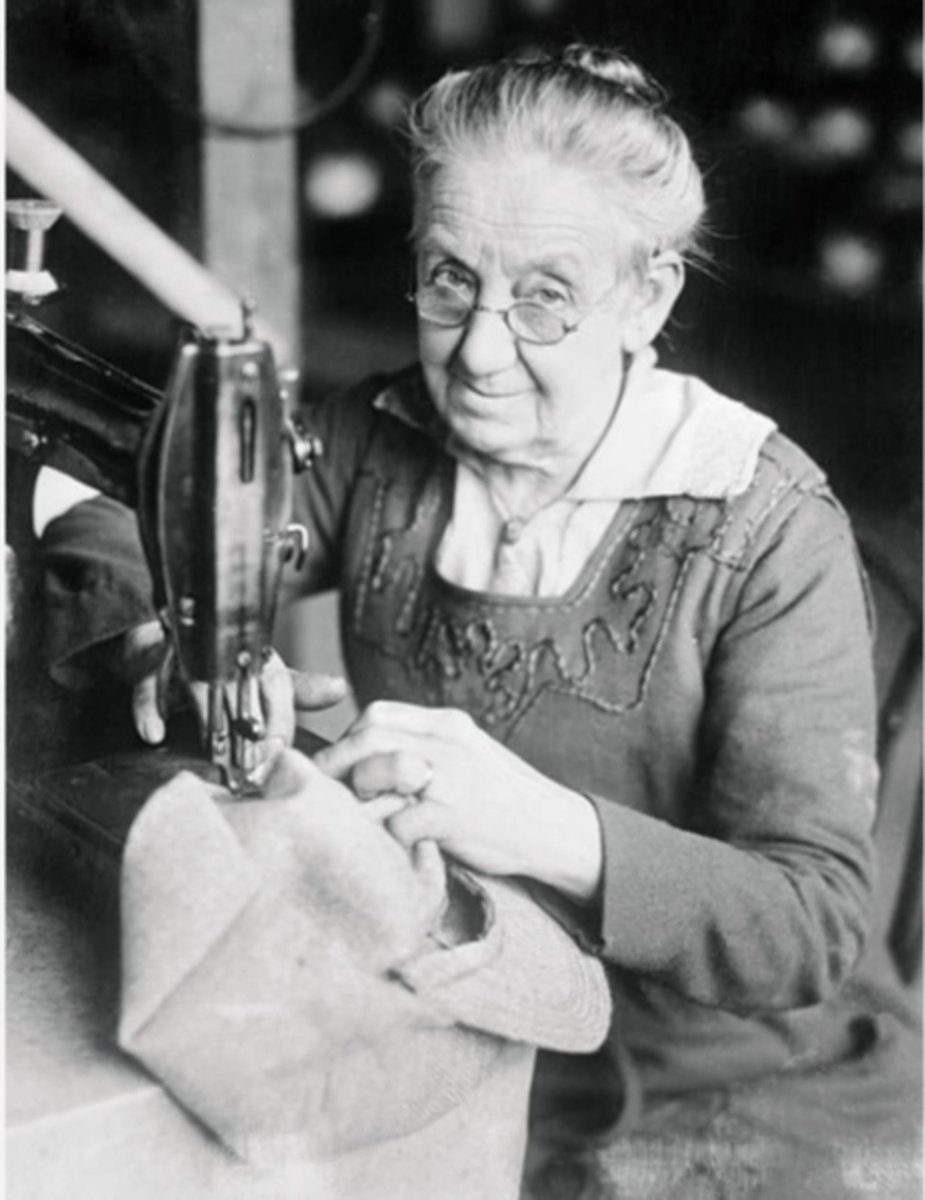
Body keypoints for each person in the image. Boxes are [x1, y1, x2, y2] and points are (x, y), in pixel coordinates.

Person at [39, 43, 920, 1200]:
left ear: (648, 295)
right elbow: (165, 526)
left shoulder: (760, 529)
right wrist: (184, 639)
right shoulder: (381, 439)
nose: (482, 350)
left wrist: (548, 826)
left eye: (545, 297)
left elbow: (809, 928)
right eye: (449, 279)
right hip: (462, 1027)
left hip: (737, 1091)